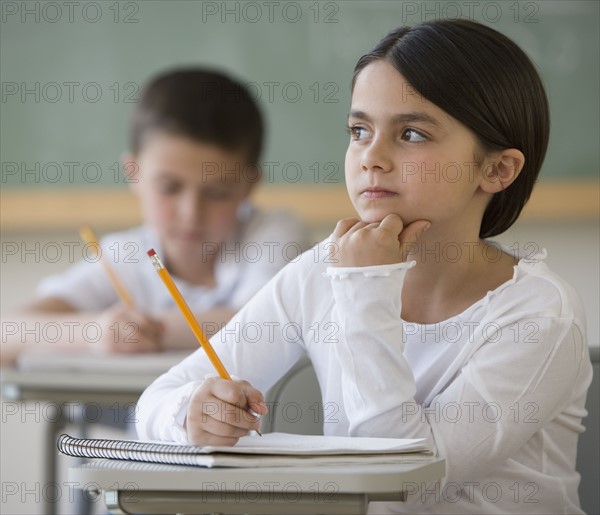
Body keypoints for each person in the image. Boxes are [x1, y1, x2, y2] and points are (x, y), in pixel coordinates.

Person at [135, 20, 592, 514]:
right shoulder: (319, 274)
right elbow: (154, 401)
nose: (371, 157)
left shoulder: (539, 315)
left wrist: (366, 284)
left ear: (497, 169)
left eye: (412, 134)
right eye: (359, 131)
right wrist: (190, 415)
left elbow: (402, 485)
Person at [0, 68, 308, 366]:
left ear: (249, 185)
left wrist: (148, 331)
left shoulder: (275, 233)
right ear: (134, 174)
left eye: (217, 193)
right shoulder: (124, 256)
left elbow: (261, 326)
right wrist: (95, 332)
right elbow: (7, 333)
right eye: (169, 188)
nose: (190, 213)